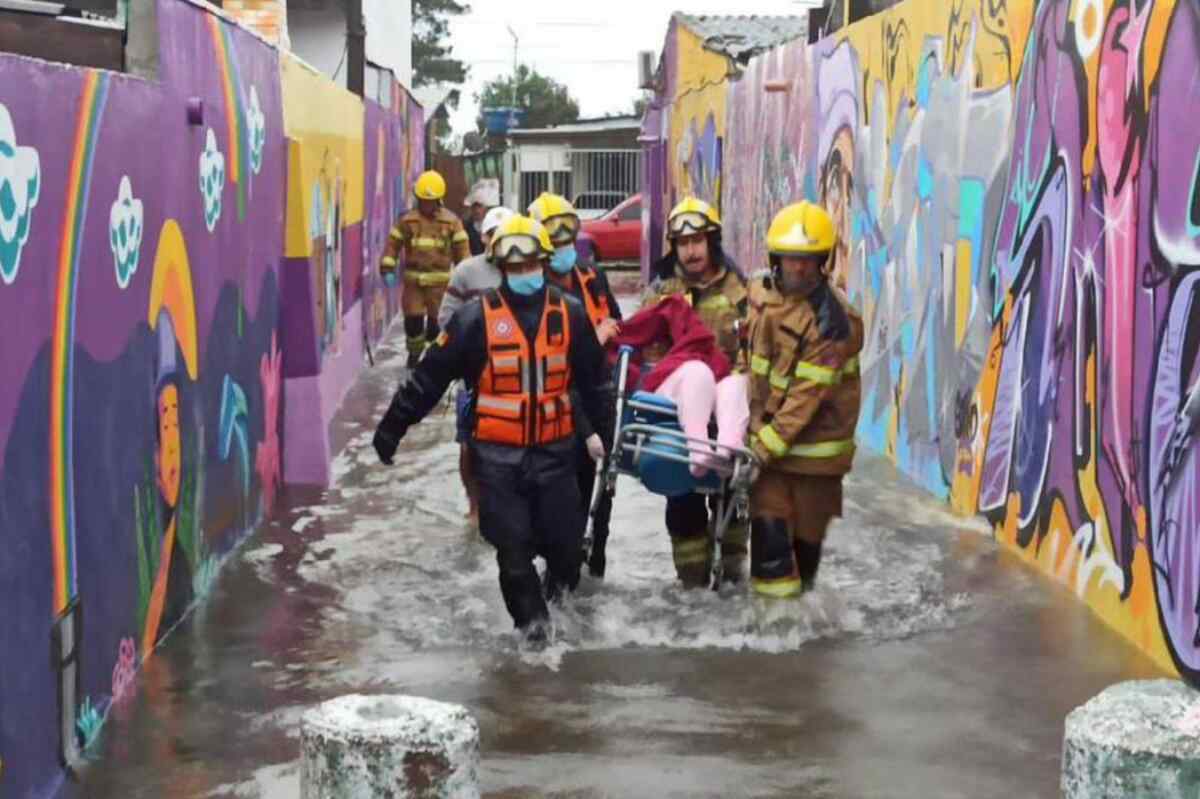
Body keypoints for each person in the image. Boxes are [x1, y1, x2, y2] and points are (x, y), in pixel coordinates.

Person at [372, 215, 609, 643]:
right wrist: (392, 428)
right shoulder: (473, 321)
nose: (523, 274)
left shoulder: (570, 315)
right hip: (499, 463)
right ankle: (536, 645)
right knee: (513, 557)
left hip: (557, 457)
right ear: (500, 267)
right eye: (513, 268)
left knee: (566, 555)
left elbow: (597, 384)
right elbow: (429, 378)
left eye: (530, 265)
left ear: (543, 262)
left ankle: (559, 615)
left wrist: (610, 440)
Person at [744, 202, 864, 597]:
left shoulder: (834, 322)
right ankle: (773, 641)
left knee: (804, 563)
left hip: (815, 462)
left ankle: (795, 639)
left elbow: (803, 401)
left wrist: (759, 451)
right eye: (791, 259)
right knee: (770, 554)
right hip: (774, 458)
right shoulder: (765, 294)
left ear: (823, 260)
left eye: (809, 260)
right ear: (775, 259)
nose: (799, 269)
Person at [641, 197, 750, 587]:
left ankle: (734, 583)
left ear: (712, 241)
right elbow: (649, 361)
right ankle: (692, 593)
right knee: (683, 502)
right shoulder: (661, 293)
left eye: (697, 241)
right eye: (682, 242)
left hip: (729, 413)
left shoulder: (740, 292)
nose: (690, 250)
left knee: (735, 505)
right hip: (679, 418)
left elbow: (754, 355)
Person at [527, 192, 623, 578]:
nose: (565, 248)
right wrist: (593, 340)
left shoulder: (591, 275)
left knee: (604, 490)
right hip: (561, 406)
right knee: (564, 498)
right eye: (556, 241)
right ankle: (559, 576)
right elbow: (551, 358)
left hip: (600, 396)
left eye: (569, 239)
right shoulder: (534, 293)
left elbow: (614, 319)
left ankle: (596, 562)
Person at [437, 205, 515, 529]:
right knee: (468, 442)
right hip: (474, 375)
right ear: (483, 236)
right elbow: (445, 318)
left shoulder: (526, 270)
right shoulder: (466, 272)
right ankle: (474, 506)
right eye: (492, 235)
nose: (497, 241)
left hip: (515, 374)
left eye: (504, 235)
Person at [379, 170, 470, 368]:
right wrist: (387, 267)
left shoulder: (451, 222)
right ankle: (414, 356)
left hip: (441, 285)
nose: (427, 205)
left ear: (439, 200)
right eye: (423, 200)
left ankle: (432, 360)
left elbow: (462, 251)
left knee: (436, 326)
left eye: (430, 201)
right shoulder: (408, 221)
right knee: (413, 323)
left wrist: (466, 278)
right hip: (414, 284)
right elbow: (393, 244)